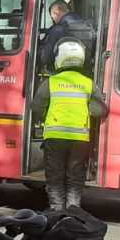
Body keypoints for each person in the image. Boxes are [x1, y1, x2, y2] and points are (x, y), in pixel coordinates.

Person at [31, 37, 108, 210]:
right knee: (75, 178)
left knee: (55, 177)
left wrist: (47, 115)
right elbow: (100, 111)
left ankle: (57, 211)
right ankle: (73, 211)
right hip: (79, 139)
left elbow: (36, 107)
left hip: (54, 137)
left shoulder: (50, 82)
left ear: (59, 58)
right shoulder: (87, 84)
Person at [40, 0, 93, 73]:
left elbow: (45, 58)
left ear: (56, 13)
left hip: (60, 75)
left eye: (52, 18)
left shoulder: (57, 30)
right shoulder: (89, 26)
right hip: (85, 73)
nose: (53, 21)